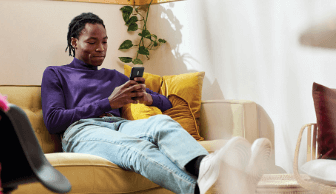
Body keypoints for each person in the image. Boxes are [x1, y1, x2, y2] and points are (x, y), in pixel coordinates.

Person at [41, 12, 272, 194]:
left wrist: (148, 97)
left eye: (104, 41)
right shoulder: (56, 74)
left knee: (161, 122)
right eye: (92, 42)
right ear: (74, 42)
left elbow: (166, 106)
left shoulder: (113, 76)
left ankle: (209, 169)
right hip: (81, 132)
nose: (100, 48)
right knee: (138, 149)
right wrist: (108, 102)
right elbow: (53, 121)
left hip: (119, 126)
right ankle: (215, 186)